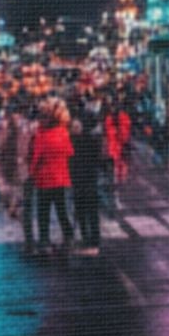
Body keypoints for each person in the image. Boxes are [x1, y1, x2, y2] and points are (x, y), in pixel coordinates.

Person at [28, 102, 75, 257]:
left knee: (43, 212)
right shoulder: (63, 133)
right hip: (60, 178)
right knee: (61, 209)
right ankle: (68, 236)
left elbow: (37, 158)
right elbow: (69, 152)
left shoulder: (41, 136)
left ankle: (44, 241)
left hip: (44, 179)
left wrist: (31, 173)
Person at [72, 107, 104, 256]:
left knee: (84, 211)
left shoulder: (81, 140)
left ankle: (89, 240)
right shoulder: (94, 139)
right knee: (90, 212)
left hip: (82, 180)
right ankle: (92, 240)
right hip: (89, 180)